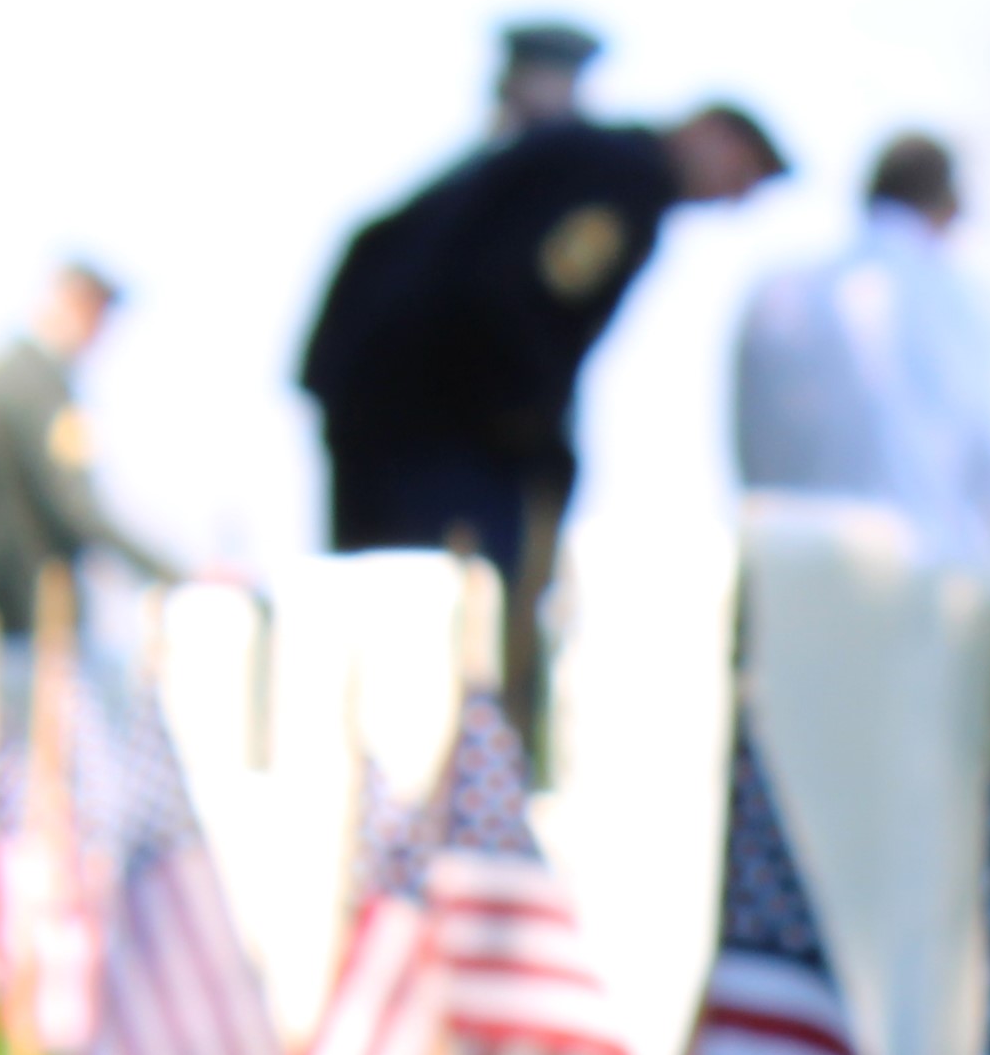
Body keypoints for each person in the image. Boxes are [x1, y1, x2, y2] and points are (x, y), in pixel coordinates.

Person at [298, 89, 786, 735]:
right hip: (439, 428)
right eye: (738, 180)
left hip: (382, 402)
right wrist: (530, 432)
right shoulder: (624, 181)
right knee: (448, 646)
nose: (727, 202)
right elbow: (522, 297)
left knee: (382, 627)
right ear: (712, 136)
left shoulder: (580, 156)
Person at [730, 134, 990, 568]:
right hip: (908, 587)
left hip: (776, 567)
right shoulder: (969, 309)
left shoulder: (777, 288)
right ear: (951, 209)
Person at [0, 261, 173, 644]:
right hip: (31, 621)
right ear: (79, 307)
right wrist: (171, 573)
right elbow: (78, 508)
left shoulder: (0, 378)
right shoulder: (44, 392)